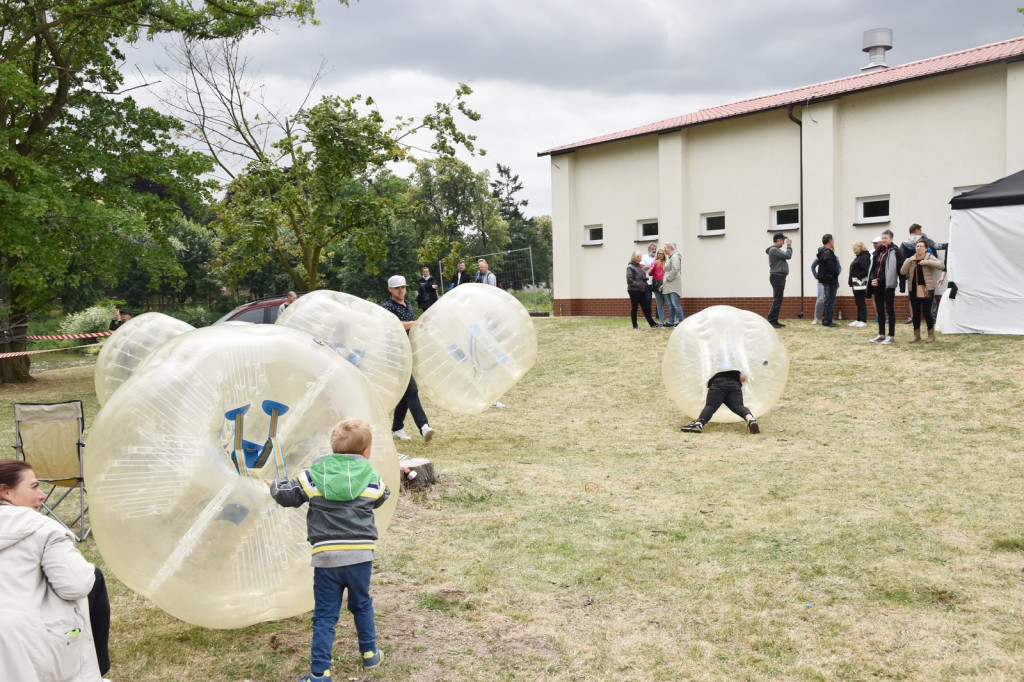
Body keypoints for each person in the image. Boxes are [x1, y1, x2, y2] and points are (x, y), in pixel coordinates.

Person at [267, 419, 390, 679]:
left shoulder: (315, 474)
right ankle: (370, 654)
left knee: (324, 615)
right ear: (366, 452)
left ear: (333, 448)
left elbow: (288, 495)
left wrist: (275, 484)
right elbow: (383, 496)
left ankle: (320, 673)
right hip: (360, 557)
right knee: (362, 604)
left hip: (327, 557)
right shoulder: (372, 477)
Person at [0, 460, 111, 682]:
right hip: (21, 638)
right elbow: (76, 585)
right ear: (5, 492)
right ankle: (96, 671)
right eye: (33, 487)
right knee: (93, 577)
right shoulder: (41, 527)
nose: (42, 495)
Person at [381, 275, 435, 441]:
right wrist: (417, 323)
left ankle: (397, 428)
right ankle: (423, 426)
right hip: (395, 354)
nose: (401, 290)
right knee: (411, 390)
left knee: (405, 392)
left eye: (403, 287)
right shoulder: (387, 307)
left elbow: (411, 326)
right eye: (397, 288)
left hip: (409, 352)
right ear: (390, 289)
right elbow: (396, 325)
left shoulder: (408, 304)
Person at [679, 370, 760, 434]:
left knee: (711, 406)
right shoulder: (738, 359)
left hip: (718, 384)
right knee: (738, 406)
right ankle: (751, 419)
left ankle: (698, 424)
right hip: (734, 385)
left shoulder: (714, 355)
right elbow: (742, 378)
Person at [899, 238, 945, 343]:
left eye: (921, 246)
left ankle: (931, 335)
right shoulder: (912, 259)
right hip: (914, 289)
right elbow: (902, 271)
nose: (918, 248)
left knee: (926, 312)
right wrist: (909, 260)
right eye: (917, 246)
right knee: (915, 313)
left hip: (927, 288)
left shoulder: (929, 257)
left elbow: (941, 265)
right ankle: (916, 335)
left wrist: (927, 262)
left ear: (926, 249)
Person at [867, 229, 905, 344]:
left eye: (886, 238)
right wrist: (873, 279)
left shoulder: (895, 251)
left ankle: (891, 336)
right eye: (882, 238)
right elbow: (874, 267)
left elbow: (899, 269)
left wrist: (902, 285)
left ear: (891, 239)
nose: (883, 240)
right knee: (880, 310)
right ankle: (881, 334)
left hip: (888, 285)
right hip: (876, 285)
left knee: (890, 310)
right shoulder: (878, 251)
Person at [900, 224, 937, 323]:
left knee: (911, 297)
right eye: (920, 230)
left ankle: (912, 317)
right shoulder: (924, 240)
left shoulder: (904, 243)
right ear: (916, 230)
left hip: (911, 271)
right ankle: (932, 316)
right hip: (925, 270)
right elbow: (935, 248)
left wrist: (907, 265)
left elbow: (900, 257)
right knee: (930, 296)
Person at [765, 233, 793, 328]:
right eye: (782, 240)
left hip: (779, 277)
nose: (784, 242)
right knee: (777, 299)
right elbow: (788, 255)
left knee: (778, 299)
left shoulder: (775, 250)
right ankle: (772, 320)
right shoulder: (774, 250)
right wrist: (789, 245)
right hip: (777, 277)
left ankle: (774, 320)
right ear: (777, 240)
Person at [626, 251, 658, 330]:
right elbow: (629, 280)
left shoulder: (640, 266)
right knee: (635, 307)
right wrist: (639, 284)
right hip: (633, 290)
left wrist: (644, 279)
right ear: (636, 258)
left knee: (646, 307)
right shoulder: (630, 267)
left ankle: (652, 324)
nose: (641, 258)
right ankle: (635, 326)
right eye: (640, 257)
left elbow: (641, 276)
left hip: (642, 290)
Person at [815, 233, 841, 327]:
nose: (833, 241)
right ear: (830, 241)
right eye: (833, 240)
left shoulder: (822, 251)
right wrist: (836, 273)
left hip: (825, 279)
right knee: (830, 301)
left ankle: (825, 319)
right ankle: (827, 321)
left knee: (827, 301)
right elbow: (831, 266)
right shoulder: (828, 252)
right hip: (830, 279)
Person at [848, 240, 871, 327]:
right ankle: (858, 319)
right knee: (858, 301)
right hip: (855, 283)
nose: (853, 250)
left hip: (860, 283)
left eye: (854, 248)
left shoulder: (864, 257)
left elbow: (866, 270)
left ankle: (863, 320)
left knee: (861, 301)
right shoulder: (859, 256)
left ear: (858, 248)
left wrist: (857, 276)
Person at [662, 242, 684, 326]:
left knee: (675, 304)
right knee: (670, 305)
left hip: (673, 284)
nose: (664, 249)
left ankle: (681, 321)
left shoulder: (675, 257)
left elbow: (675, 269)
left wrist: (668, 279)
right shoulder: (670, 257)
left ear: (670, 248)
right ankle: (671, 321)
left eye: (665, 248)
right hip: (668, 285)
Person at [649, 247, 668, 326]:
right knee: (659, 304)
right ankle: (661, 321)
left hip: (665, 284)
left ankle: (672, 320)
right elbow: (650, 273)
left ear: (664, 255)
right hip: (657, 283)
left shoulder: (667, 262)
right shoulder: (654, 262)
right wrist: (654, 266)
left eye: (662, 253)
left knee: (668, 302)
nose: (660, 255)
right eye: (659, 253)